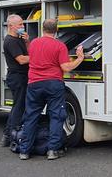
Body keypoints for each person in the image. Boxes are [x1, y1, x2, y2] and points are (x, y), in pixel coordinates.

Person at [18, 18, 84, 160]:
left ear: (43, 29)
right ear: (56, 30)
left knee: (31, 117)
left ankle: (24, 151)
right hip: (53, 84)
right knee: (56, 116)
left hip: (34, 84)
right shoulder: (59, 46)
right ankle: (52, 150)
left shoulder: (34, 43)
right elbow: (65, 67)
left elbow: (32, 55)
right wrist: (79, 58)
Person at [1, 14, 30, 147]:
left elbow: (28, 53)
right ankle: (9, 135)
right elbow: (22, 59)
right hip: (17, 77)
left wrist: (27, 41)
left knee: (18, 106)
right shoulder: (10, 41)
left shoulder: (19, 39)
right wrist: (40, 56)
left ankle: (8, 134)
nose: (22, 26)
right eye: (19, 24)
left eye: (22, 24)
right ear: (11, 26)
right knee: (18, 107)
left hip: (21, 76)